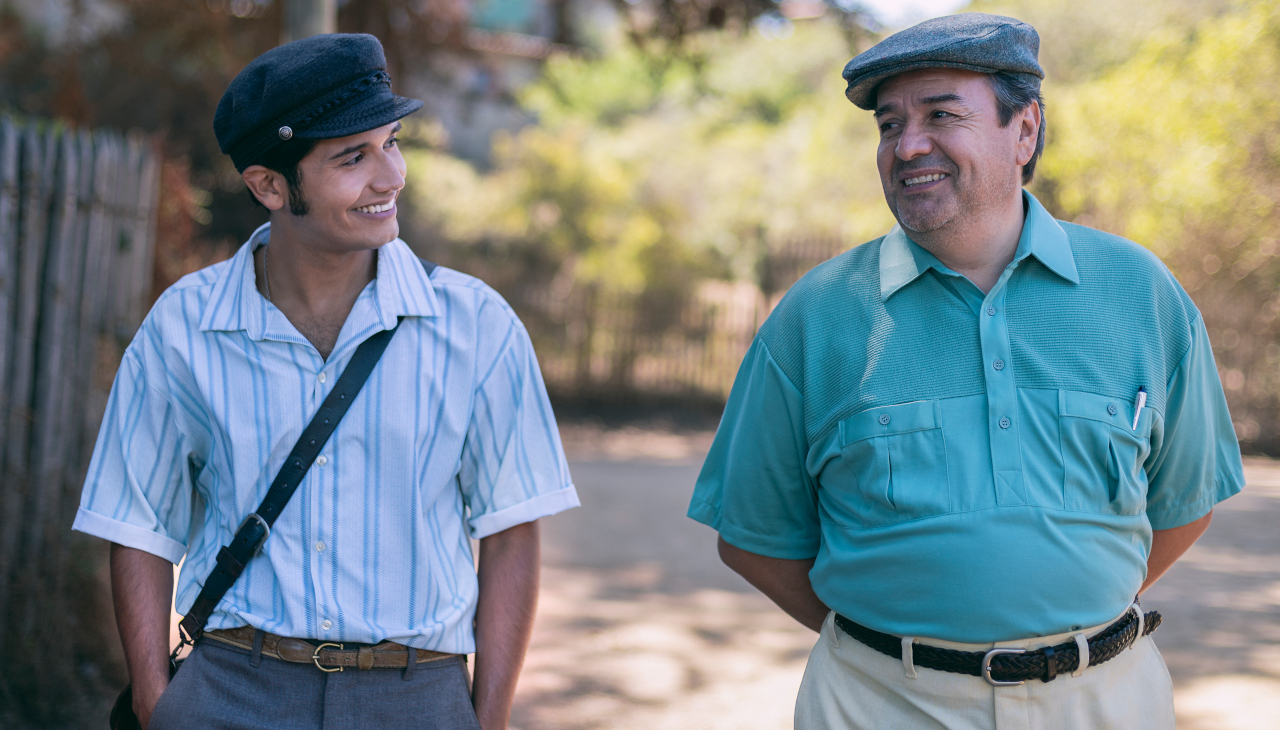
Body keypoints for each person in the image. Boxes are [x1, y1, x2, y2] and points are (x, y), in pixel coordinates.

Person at [688, 12, 1243, 729]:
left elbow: (1185, 502)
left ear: (1025, 131)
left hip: (1106, 701)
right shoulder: (816, 315)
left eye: (941, 114)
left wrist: (1067, 624)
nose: (908, 145)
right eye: (889, 125)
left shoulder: (1140, 293)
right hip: (878, 705)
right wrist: (893, 647)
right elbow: (753, 538)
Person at [73, 33, 578, 730]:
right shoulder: (183, 327)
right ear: (270, 185)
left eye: (392, 142)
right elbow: (136, 523)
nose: (390, 176)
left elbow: (512, 533)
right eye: (353, 157)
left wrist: (486, 721)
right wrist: (157, 703)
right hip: (230, 690)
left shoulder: (478, 327)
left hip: (416, 695)